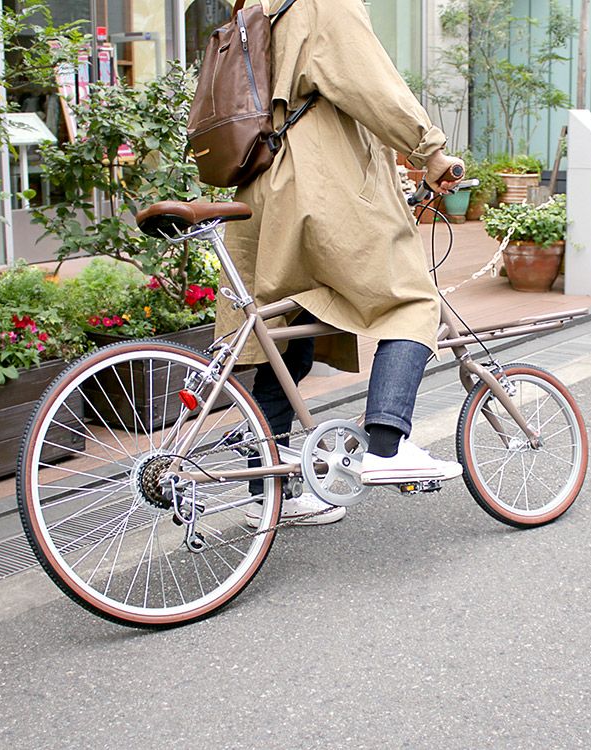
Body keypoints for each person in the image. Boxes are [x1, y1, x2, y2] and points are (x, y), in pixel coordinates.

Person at [215, 0, 465, 527]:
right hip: (316, 185)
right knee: (411, 301)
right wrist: (431, 152)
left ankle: (270, 494)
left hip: (260, 186)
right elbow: (371, 84)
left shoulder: (257, 7)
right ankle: (387, 446)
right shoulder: (323, 1)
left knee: (287, 336)